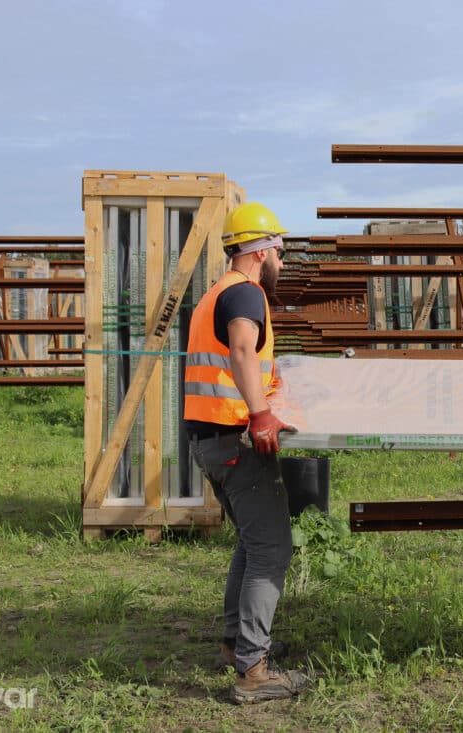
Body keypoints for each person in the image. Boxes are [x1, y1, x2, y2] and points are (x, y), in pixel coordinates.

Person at [183, 201, 310, 704]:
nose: (282, 260)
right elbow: (240, 352)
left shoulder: (215, 292)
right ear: (263, 251)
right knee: (271, 549)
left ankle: (237, 643)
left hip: (209, 440)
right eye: (280, 250)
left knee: (250, 543)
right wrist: (260, 414)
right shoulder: (245, 295)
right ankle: (253, 671)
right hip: (235, 439)